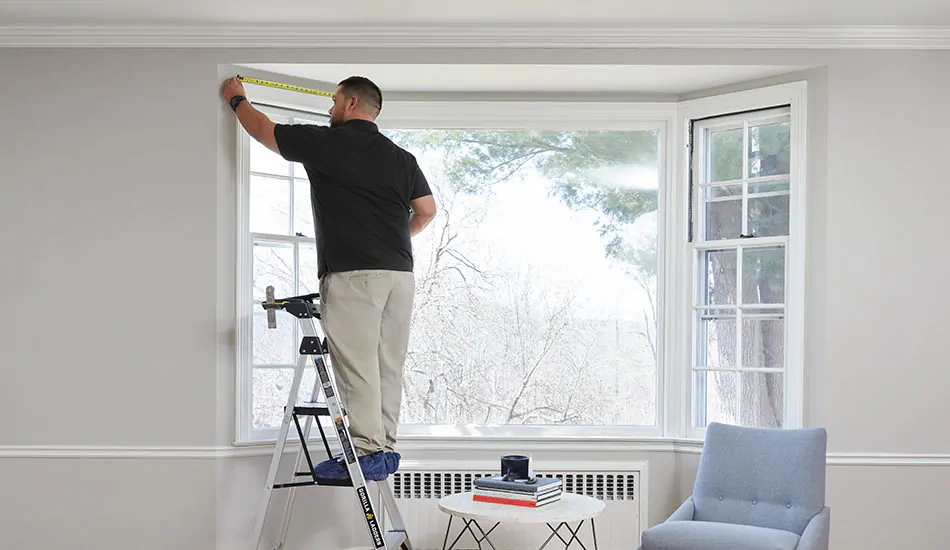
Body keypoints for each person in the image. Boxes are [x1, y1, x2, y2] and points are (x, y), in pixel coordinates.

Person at [221, 75, 436, 481]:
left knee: (357, 366)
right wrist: (392, 239)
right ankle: (385, 447)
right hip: (399, 277)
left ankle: (367, 451)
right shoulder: (402, 158)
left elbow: (264, 131)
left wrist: (236, 100)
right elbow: (426, 210)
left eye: (334, 101)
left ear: (352, 103)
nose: (329, 108)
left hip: (354, 275)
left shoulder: (328, 143)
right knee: (388, 364)